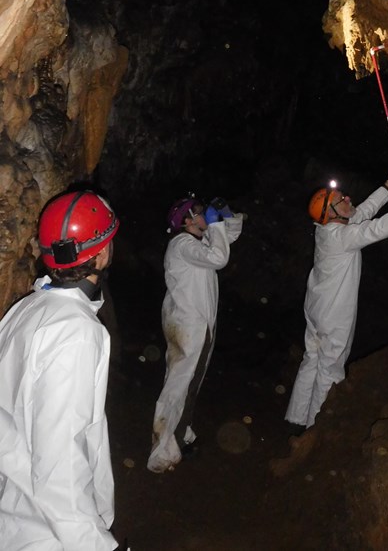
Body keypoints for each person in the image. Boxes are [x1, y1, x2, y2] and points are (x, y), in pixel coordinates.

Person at [0, 189, 122, 551]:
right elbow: (60, 467)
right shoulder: (77, 333)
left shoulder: (26, 310)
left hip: (13, 511)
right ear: (100, 253)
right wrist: (95, 543)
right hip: (48, 533)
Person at [285, 171, 388, 430]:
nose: (347, 198)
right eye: (341, 199)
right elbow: (376, 228)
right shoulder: (342, 237)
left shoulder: (328, 229)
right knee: (330, 367)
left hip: (317, 309)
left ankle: (296, 417)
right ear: (332, 213)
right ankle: (316, 427)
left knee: (312, 359)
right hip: (333, 314)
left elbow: (362, 213)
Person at [147, 195, 243, 473]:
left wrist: (227, 215)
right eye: (199, 212)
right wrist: (215, 224)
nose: (204, 215)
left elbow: (228, 238)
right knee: (179, 384)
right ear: (186, 222)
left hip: (197, 325)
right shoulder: (182, 244)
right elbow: (220, 257)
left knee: (188, 383)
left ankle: (181, 433)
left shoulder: (195, 245)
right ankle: (162, 451)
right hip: (188, 326)